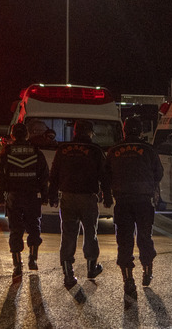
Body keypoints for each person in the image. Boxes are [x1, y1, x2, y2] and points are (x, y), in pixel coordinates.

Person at [105, 116, 163, 300]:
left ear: (124, 130)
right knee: (145, 237)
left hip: (122, 201)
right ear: (140, 131)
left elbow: (105, 176)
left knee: (125, 241)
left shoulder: (114, 151)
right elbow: (158, 173)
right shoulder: (148, 150)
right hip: (144, 201)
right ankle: (147, 270)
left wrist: (108, 195)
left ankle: (128, 280)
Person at [48, 120, 110, 288]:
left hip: (67, 197)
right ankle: (91, 267)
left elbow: (54, 174)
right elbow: (104, 176)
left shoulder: (63, 149)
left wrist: (52, 195)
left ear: (75, 132)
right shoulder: (95, 150)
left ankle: (68, 273)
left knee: (68, 233)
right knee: (90, 231)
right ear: (90, 132)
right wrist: (108, 195)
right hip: (88, 197)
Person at [0, 123, 49, 278]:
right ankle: (33, 259)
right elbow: (44, 176)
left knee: (16, 230)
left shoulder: (6, 152)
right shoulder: (36, 152)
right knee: (33, 228)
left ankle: (17, 264)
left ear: (12, 135)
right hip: (32, 197)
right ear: (27, 135)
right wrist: (45, 196)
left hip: (14, 197)